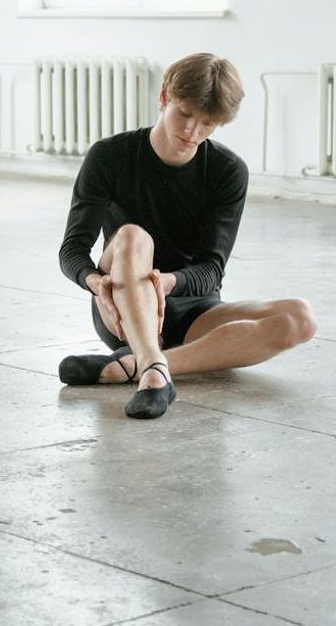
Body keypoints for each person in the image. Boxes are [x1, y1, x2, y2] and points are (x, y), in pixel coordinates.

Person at [55, 53, 318, 419]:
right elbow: (72, 249)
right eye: (185, 114)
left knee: (300, 318)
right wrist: (96, 283)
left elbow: (211, 269)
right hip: (124, 303)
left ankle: (144, 367)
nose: (192, 131)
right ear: (164, 97)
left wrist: (165, 283)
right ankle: (149, 365)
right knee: (132, 236)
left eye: (207, 123)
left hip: (192, 307)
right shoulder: (109, 156)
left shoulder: (228, 171)